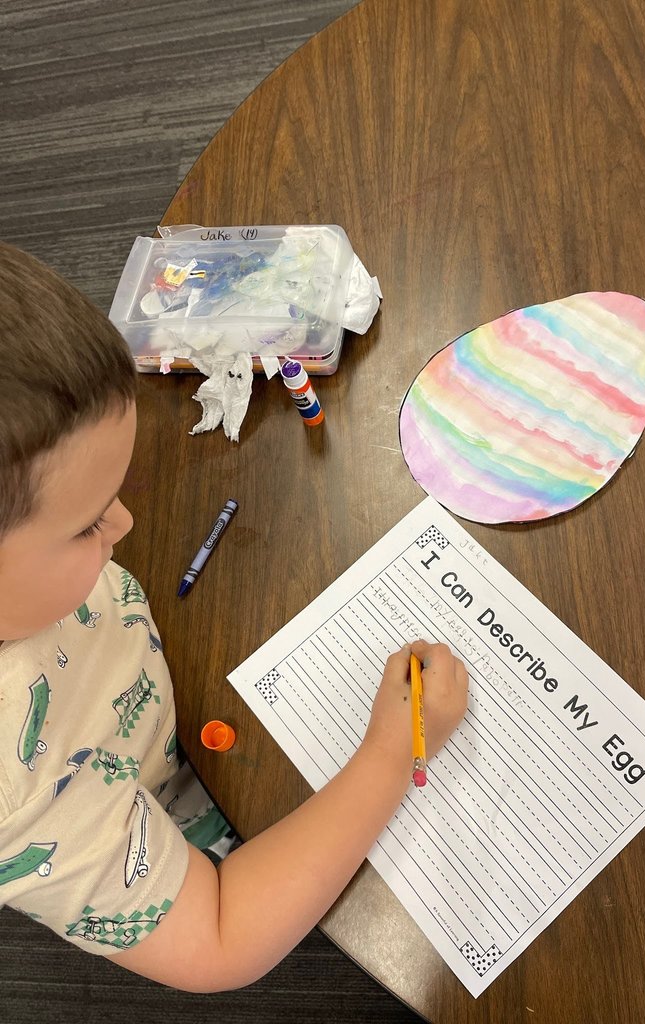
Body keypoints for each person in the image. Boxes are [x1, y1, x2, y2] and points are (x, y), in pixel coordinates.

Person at [0, 242, 468, 991]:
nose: (123, 524)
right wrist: (390, 752)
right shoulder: (17, 796)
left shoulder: (27, 563)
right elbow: (219, 939)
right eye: (88, 524)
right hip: (168, 826)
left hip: (156, 691)